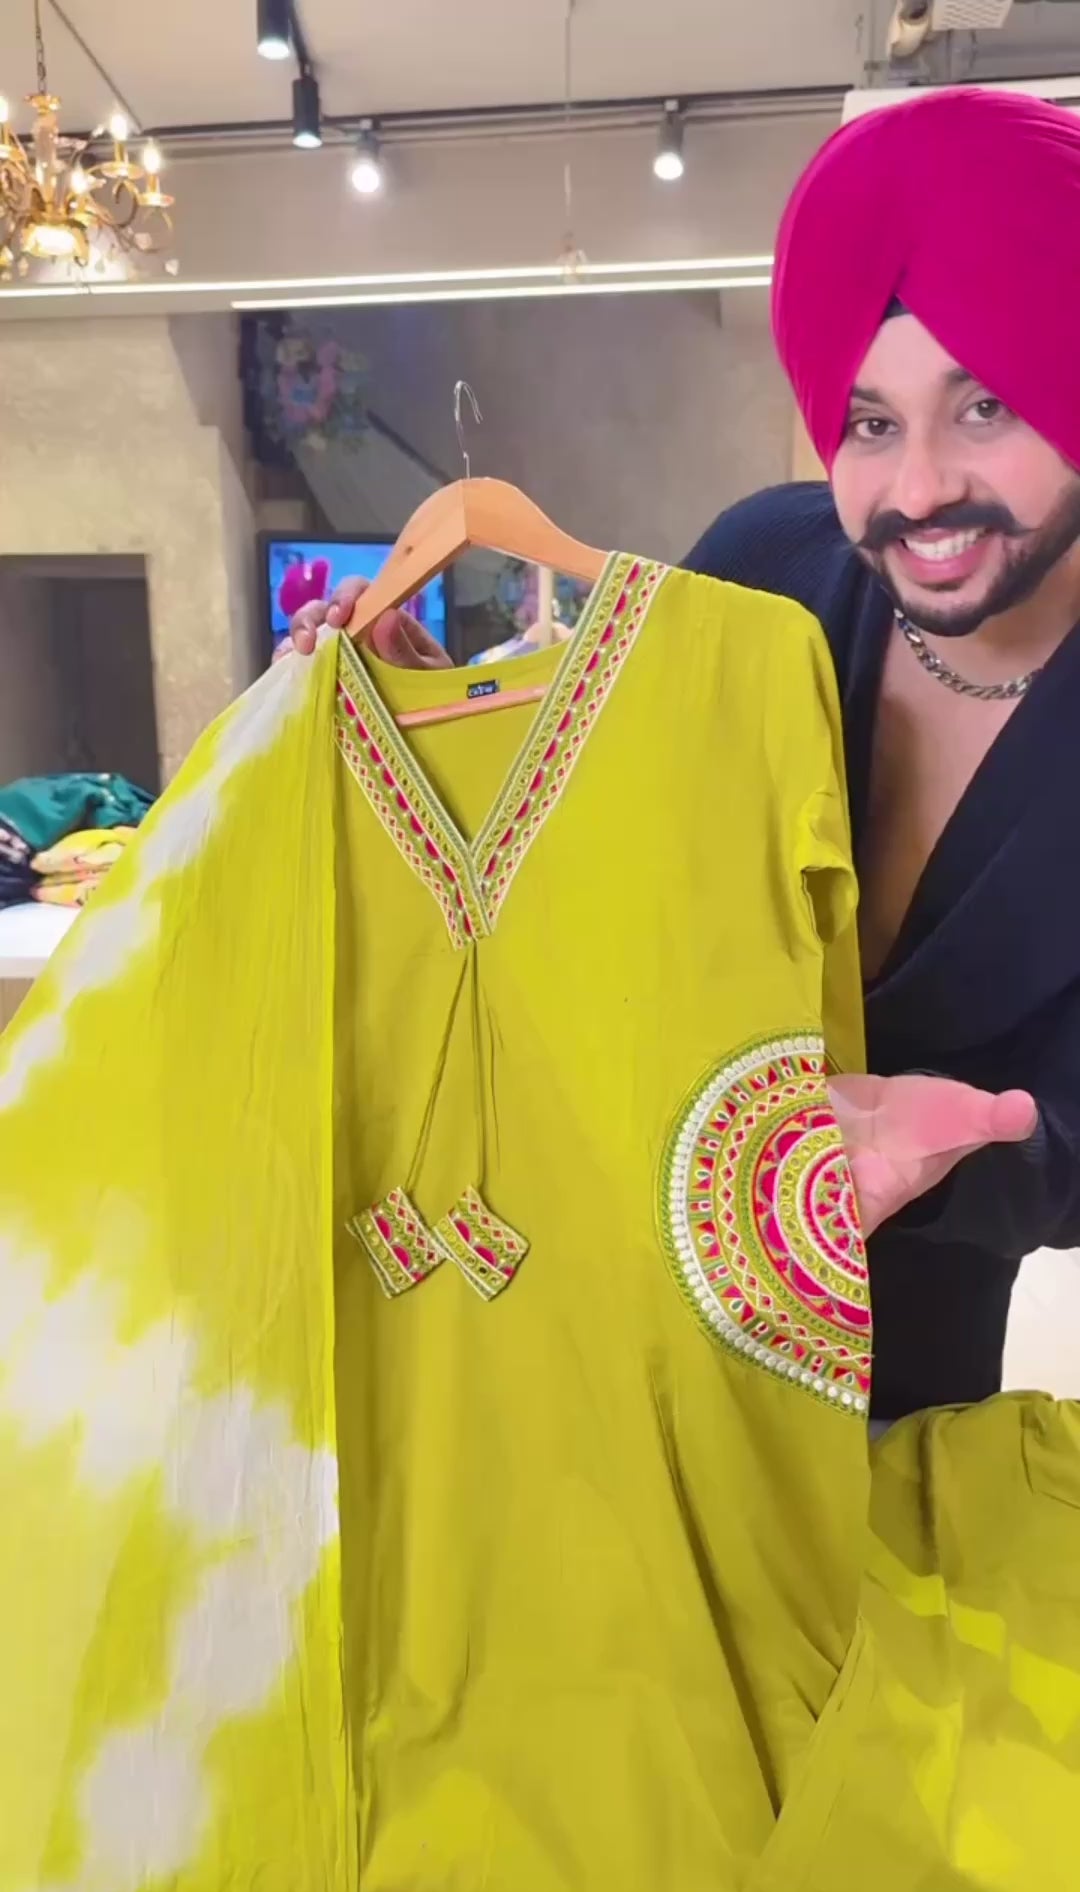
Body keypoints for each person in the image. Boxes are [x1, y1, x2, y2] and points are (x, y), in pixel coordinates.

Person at [282, 87, 1080, 1424]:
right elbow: (591, 825)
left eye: (987, 403)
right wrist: (437, 724)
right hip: (622, 1286)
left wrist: (963, 1161)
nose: (920, 489)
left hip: (905, 1348)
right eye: (870, 423)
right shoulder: (766, 567)